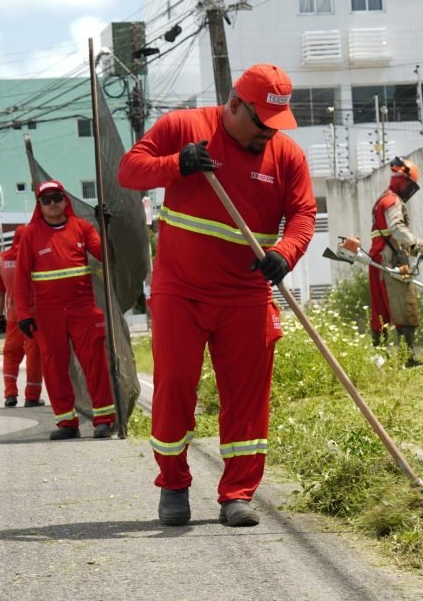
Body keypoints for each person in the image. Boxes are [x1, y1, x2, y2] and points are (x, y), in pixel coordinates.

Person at [119, 63, 317, 527]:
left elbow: (304, 213)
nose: (268, 135)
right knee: (174, 390)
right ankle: (173, 486)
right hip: (180, 292)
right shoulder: (185, 128)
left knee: (247, 398)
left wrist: (285, 253)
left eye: (276, 125)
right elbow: (129, 171)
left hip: (247, 294)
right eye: (261, 124)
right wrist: (177, 164)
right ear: (233, 105)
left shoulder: (286, 156)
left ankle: (238, 494)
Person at [13, 180, 116, 440]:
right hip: (48, 314)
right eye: (46, 200)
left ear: (65, 200)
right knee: (54, 367)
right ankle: (66, 423)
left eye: (57, 197)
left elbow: (106, 256)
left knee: (95, 364)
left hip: (83, 309)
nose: (52, 203)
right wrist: (23, 315)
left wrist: (104, 227)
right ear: (39, 205)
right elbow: (21, 278)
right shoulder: (30, 234)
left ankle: (104, 420)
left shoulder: (82, 228)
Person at [368, 157, 423, 367]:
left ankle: (380, 360)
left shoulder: (382, 200)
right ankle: (408, 359)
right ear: (403, 180)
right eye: (410, 185)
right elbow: (397, 230)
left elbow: (391, 235)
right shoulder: (393, 200)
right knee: (405, 307)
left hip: (378, 262)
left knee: (381, 313)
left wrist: (416, 249)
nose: (410, 191)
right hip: (391, 264)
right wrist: (420, 243)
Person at [0, 225, 44, 408]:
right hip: (34, 316)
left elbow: (0, 294)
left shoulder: (2, 262)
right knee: (34, 356)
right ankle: (32, 397)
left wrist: (0, 317)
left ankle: (10, 394)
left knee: (10, 354)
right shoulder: (35, 259)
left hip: (13, 316)